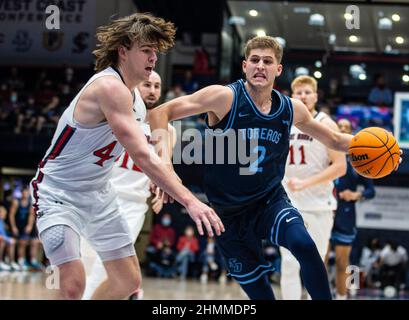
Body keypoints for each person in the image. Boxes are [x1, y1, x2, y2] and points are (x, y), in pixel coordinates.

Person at [149, 35, 375, 300]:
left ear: (278, 70)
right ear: (244, 65)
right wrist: (165, 163)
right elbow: (159, 113)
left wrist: (377, 144)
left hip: (270, 201)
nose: (260, 66)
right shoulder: (224, 97)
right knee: (262, 295)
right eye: (254, 60)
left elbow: (335, 140)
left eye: (267, 61)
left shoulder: (292, 109)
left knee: (305, 245)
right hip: (228, 214)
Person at [29, 13, 223, 300]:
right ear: (123, 51)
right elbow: (142, 154)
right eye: (146, 50)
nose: (153, 58)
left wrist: (161, 176)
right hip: (60, 192)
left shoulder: (137, 102)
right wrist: (191, 201)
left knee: (128, 281)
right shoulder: (108, 87)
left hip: (99, 194)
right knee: (72, 285)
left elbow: (150, 152)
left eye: (155, 52)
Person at [81, 70, 175, 299]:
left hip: (132, 203)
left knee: (110, 264)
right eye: (147, 85)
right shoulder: (114, 114)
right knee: (86, 259)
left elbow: (164, 168)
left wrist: (161, 187)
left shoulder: (167, 130)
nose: (152, 90)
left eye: (156, 86)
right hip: (99, 196)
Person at [279, 75, 347, 300]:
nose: (303, 96)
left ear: (315, 96)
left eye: (308, 92)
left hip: (318, 204)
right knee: (289, 263)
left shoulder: (326, 123)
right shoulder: (283, 121)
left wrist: (305, 183)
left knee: (314, 264)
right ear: (292, 96)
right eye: (299, 93)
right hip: (288, 203)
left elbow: (340, 167)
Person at [330, 118, 375, 299]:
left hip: (345, 214)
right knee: (319, 259)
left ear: (351, 132)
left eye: (346, 127)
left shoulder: (359, 159)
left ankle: (342, 296)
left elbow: (371, 190)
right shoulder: (326, 151)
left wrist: (356, 195)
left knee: (343, 262)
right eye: (339, 127)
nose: (342, 129)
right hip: (324, 209)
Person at [8, 185, 42, 271]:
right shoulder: (16, 202)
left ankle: (33, 261)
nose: (25, 194)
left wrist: (29, 226)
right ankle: (21, 261)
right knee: (22, 242)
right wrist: (13, 227)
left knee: (34, 241)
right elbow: (11, 215)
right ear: (21, 193)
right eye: (24, 192)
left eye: (27, 192)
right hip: (18, 225)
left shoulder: (30, 203)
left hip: (25, 225)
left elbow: (31, 215)